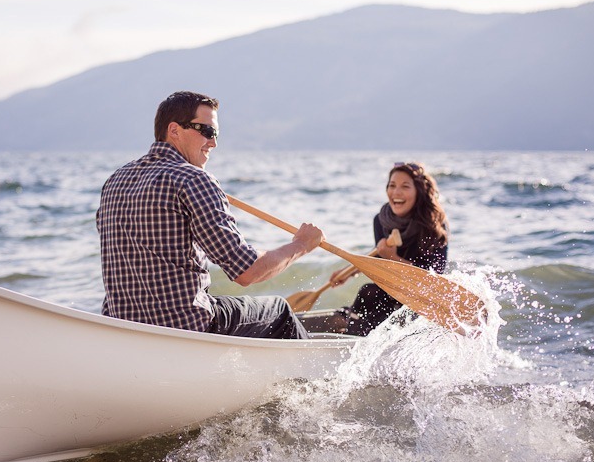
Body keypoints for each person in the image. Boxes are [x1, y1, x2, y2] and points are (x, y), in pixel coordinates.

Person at [96, 90, 324, 339]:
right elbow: (248, 271)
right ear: (174, 131)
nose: (213, 142)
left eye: (215, 134)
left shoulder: (115, 180)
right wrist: (301, 245)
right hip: (185, 326)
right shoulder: (193, 178)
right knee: (279, 311)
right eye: (207, 131)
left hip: (121, 327)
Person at [329, 161, 449, 336]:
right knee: (369, 294)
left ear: (419, 191)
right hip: (392, 291)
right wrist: (349, 271)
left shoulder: (435, 225)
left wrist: (393, 257)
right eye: (392, 185)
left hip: (420, 300)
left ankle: (356, 335)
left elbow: (434, 277)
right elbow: (379, 258)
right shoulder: (381, 220)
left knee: (371, 293)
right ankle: (353, 336)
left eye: (405, 186)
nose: (396, 192)